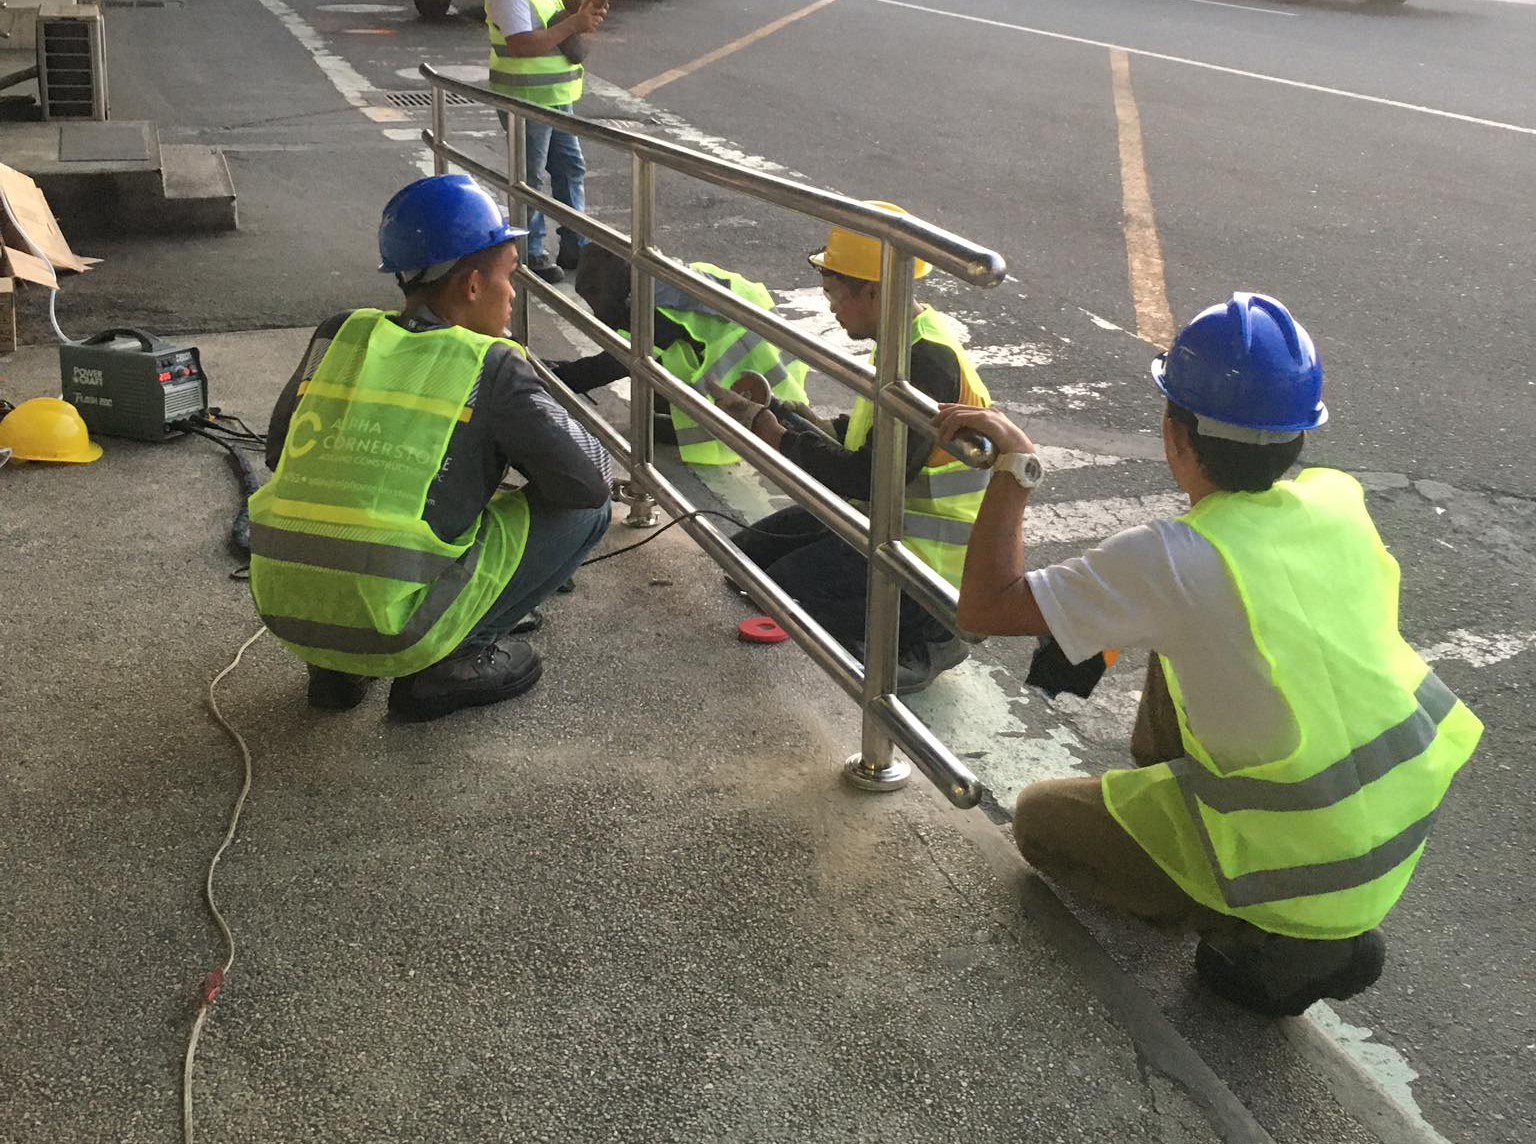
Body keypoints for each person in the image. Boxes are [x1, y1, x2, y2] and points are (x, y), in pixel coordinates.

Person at [935, 291, 1484, 1017]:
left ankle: (1268, 940)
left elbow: (982, 606)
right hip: (1390, 838)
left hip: (1295, 866)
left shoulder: (1178, 561)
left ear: (1175, 433)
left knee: (1039, 821)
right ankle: (1299, 918)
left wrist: (1017, 466)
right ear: (1298, 437)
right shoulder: (1335, 501)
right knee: (1189, 641)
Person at [249, 173, 613, 724]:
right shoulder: (488, 365)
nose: (513, 293)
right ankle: (450, 663)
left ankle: (335, 671)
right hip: (394, 629)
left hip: (288, 612)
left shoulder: (338, 333)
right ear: (471, 285)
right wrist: (521, 377)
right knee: (589, 511)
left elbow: (281, 452)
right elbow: (587, 480)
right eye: (510, 276)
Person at [725, 203, 991, 693]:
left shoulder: (926, 361)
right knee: (742, 564)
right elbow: (873, 438)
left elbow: (871, 473)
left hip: (922, 560)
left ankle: (937, 632)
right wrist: (786, 413)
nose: (830, 304)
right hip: (875, 521)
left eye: (833, 292)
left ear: (873, 290)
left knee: (782, 592)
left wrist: (775, 436)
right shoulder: (901, 339)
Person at [550, 245, 810, 465]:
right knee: (654, 369)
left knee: (646, 376)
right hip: (765, 357)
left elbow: (616, 363)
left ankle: (712, 429)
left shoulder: (660, 312)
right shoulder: (661, 279)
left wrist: (552, 379)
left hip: (756, 393)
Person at [486, 0, 609, 285]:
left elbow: (552, 32)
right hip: (526, 100)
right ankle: (532, 252)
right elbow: (522, 43)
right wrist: (574, 25)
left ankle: (576, 241)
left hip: (554, 100)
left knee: (569, 168)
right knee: (531, 178)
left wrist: (579, 19)